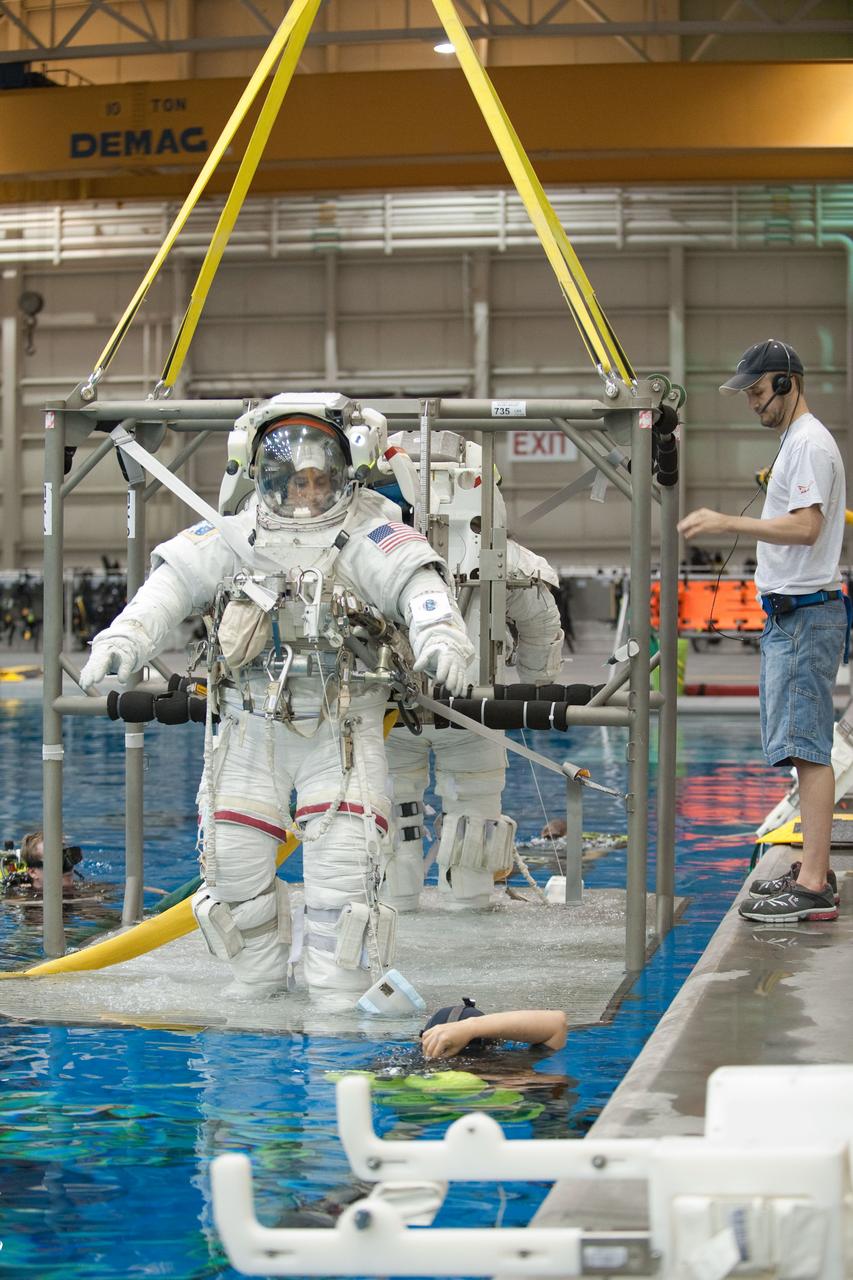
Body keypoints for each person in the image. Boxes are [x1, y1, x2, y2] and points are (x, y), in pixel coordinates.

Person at [80, 393, 475, 1007]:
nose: (306, 491)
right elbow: (169, 588)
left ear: (346, 471)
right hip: (250, 723)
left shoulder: (370, 532)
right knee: (233, 865)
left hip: (340, 724)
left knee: (343, 874)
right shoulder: (235, 536)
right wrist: (123, 639)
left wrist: (442, 634)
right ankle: (258, 981)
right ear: (261, 472)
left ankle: (337, 998)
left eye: (320, 478)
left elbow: (420, 588)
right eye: (291, 478)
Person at [678, 339, 848, 923]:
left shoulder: (806, 443)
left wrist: (726, 519)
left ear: (784, 383)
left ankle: (815, 884)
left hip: (805, 614)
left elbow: (805, 528)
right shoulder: (795, 444)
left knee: (809, 750)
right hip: (794, 615)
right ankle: (812, 874)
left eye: (756, 390)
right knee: (802, 750)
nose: (751, 402)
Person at [381, 434, 565, 912]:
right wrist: (534, 687)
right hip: (470, 711)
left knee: (391, 816)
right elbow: (541, 630)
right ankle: (462, 908)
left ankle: (399, 907)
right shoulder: (513, 562)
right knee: (471, 815)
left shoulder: (368, 559)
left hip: (395, 715)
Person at [419, 997, 568, 1059]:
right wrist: (471, 1027)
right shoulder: (512, 1070)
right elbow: (557, 1023)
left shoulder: (410, 1072)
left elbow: (557, 1022)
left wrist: (467, 1027)